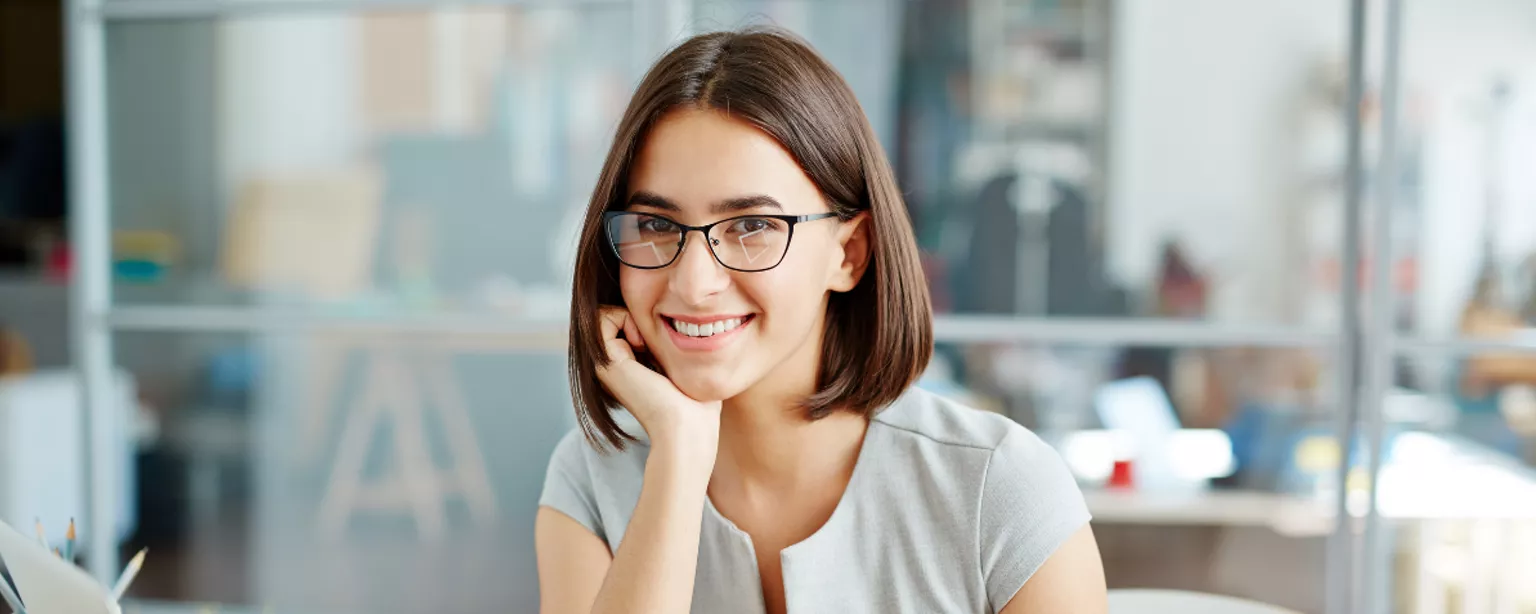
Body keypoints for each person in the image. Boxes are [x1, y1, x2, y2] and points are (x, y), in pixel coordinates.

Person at [537, 27, 1105, 614]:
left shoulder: (1000, 489)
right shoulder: (591, 479)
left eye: (752, 226)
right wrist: (677, 461)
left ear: (848, 253)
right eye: (656, 226)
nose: (693, 283)